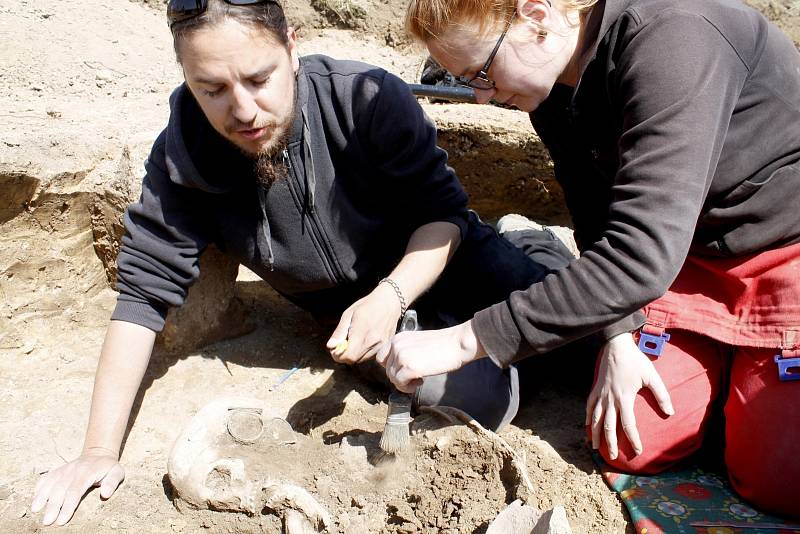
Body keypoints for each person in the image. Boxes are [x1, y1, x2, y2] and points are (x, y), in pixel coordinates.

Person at [29, 0, 575, 526]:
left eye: (259, 79)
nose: (241, 111)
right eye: (212, 89)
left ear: (292, 48)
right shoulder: (186, 153)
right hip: (349, 313)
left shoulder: (364, 97)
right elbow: (143, 295)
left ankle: (530, 243)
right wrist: (97, 450)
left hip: (445, 258)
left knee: (577, 346)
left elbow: (444, 216)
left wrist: (390, 296)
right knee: (481, 400)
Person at [378, 0, 800, 517]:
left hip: (783, 252)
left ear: (536, 17)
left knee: (782, 481)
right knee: (629, 440)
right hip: (685, 258)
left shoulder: (676, 37)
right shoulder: (554, 83)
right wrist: (619, 331)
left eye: (481, 73)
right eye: (466, 80)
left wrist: (467, 340)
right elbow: (599, 216)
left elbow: (637, 257)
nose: (482, 97)